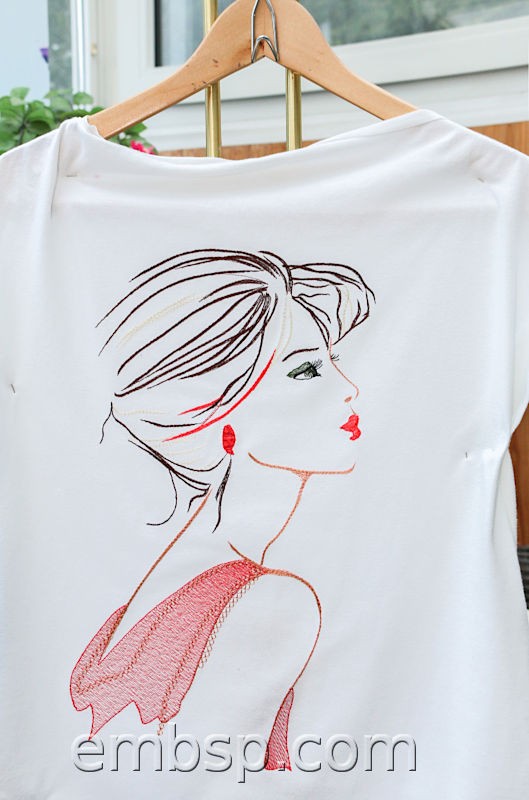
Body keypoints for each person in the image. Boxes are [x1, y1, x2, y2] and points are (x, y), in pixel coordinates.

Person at [69, 247, 375, 770]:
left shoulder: (173, 580)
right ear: (218, 418)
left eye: (334, 362)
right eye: (306, 371)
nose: (349, 390)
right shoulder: (268, 602)